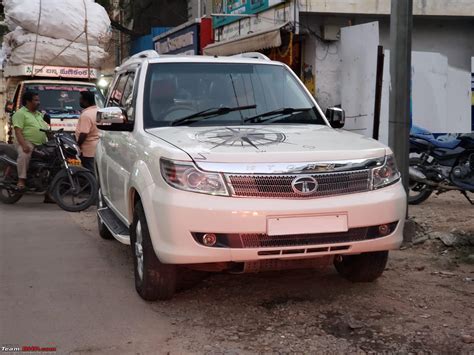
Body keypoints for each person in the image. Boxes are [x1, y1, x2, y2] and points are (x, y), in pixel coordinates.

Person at [12, 91, 49, 190]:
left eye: (38, 100)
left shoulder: (39, 114)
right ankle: (21, 180)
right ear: (28, 101)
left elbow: (45, 128)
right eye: (36, 100)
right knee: (24, 155)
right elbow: (18, 131)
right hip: (27, 141)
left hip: (41, 144)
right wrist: (24, 145)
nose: (38, 102)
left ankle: (48, 192)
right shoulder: (20, 113)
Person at [75, 91, 99, 171]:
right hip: (98, 149)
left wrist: (77, 145)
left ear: (86, 101)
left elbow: (84, 133)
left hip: (88, 151)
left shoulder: (86, 115)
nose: (80, 101)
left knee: (88, 173)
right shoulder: (100, 111)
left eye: (81, 99)